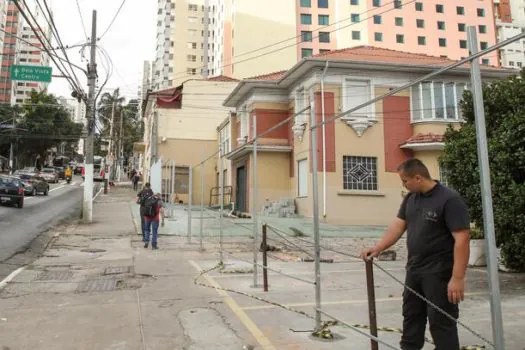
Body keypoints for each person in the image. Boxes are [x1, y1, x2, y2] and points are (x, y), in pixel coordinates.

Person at [360, 158, 470, 350]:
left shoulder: (449, 199)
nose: (404, 185)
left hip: (439, 273)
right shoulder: (411, 198)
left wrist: (457, 277)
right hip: (415, 270)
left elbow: (462, 239)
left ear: (418, 178)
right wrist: (378, 247)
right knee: (411, 317)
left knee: (441, 321)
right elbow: (398, 225)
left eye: (405, 181)